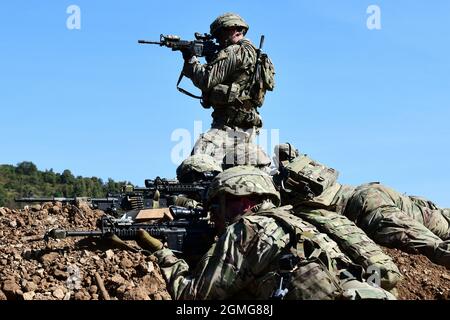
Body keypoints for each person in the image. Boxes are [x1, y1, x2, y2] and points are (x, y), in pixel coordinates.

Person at [137, 166, 395, 299]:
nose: (212, 214)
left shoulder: (247, 228)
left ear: (243, 200)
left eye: (216, 204)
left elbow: (191, 297)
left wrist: (162, 254)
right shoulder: (296, 221)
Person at [273, 143, 450, 268]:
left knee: (433, 247)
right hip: (368, 191)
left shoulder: (278, 191)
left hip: (364, 208)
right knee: (436, 219)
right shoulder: (293, 168)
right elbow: (283, 148)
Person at [181, 13, 274, 165]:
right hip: (248, 127)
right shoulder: (259, 56)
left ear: (233, 29)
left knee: (199, 163)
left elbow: (206, 80)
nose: (218, 40)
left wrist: (190, 59)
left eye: (219, 35)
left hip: (227, 127)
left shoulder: (233, 52)